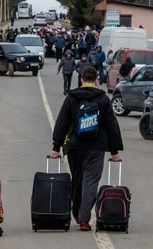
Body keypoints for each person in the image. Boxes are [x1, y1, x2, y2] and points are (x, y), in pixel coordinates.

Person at [49, 66, 123, 231]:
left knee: (78, 179)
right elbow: (111, 126)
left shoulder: (71, 98)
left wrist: (56, 146)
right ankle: (84, 219)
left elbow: (62, 122)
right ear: (96, 79)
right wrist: (115, 151)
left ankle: (76, 212)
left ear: (82, 79)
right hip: (96, 147)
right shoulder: (102, 99)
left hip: (75, 146)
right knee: (91, 181)